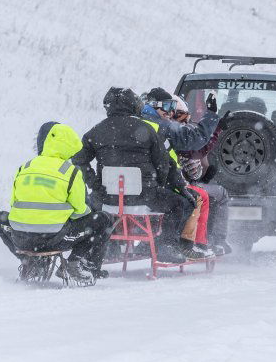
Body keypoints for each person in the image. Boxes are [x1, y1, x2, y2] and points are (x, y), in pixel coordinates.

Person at [72, 87, 198, 263]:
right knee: (178, 204)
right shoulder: (147, 129)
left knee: (90, 205)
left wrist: (94, 184)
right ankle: (165, 247)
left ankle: (107, 247)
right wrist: (158, 184)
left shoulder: (96, 131)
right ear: (134, 105)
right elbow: (164, 163)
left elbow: (79, 160)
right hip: (145, 196)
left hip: (107, 197)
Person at [0, 122, 114, 285]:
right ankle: (76, 263)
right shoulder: (70, 172)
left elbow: (14, 203)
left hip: (21, 238)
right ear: (70, 147)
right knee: (103, 220)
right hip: (55, 239)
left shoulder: (25, 167)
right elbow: (80, 211)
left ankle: (28, 261)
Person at [172, 96, 233, 255]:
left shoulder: (167, 130)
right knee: (220, 194)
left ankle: (209, 239)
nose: (185, 120)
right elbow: (200, 149)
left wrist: (216, 128)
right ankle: (215, 240)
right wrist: (216, 128)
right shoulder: (180, 134)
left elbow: (200, 148)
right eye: (182, 116)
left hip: (178, 181)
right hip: (183, 184)